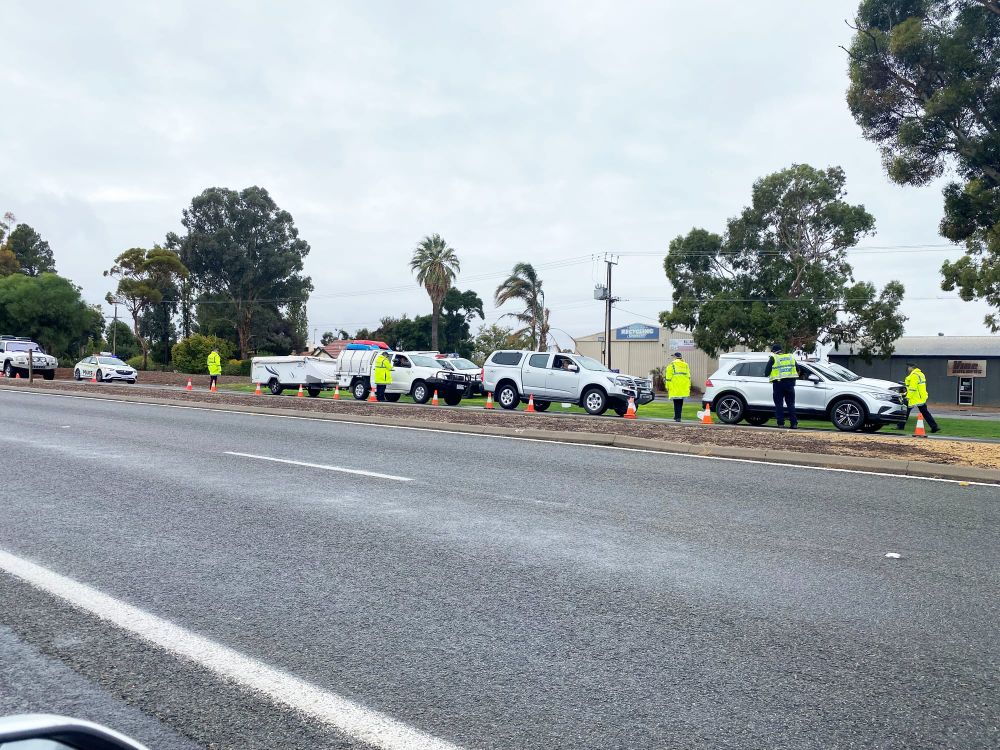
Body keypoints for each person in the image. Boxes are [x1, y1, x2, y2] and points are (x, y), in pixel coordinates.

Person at [764, 343, 798, 428]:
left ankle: (781, 424)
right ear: (781, 350)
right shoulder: (790, 357)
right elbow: (797, 369)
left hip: (778, 384)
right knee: (791, 404)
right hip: (790, 384)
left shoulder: (773, 358)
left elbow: (766, 373)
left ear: (774, 351)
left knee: (779, 404)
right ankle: (794, 424)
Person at [901, 362, 940, 433]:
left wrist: (907, 397)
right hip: (921, 397)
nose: (907, 369)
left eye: (908, 367)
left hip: (913, 397)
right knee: (925, 412)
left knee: (905, 412)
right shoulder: (921, 374)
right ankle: (934, 426)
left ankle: (900, 426)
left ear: (911, 367)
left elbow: (913, 388)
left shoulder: (914, 376)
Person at [664, 352, 691, 422]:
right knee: (680, 402)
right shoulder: (686, 365)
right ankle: (677, 416)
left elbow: (668, 377)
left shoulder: (671, 365)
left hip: (674, 386)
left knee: (676, 402)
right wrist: (688, 386)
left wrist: (667, 386)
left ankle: (677, 417)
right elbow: (688, 376)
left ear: (675, 357)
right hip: (683, 387)